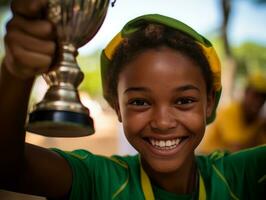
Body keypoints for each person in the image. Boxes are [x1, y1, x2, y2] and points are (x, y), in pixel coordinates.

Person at [0, 1, 265, 199]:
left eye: (184, 101)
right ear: (117, 106)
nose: (162, 122)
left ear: (209, 103)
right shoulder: (99, 180)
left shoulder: (237, 176)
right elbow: (8, 166)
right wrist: (15, 72)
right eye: (140, 102)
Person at [198, 73, 266, 154]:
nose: (258, 101)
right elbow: (237, 149)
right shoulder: (230, 112)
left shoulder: (258, 119)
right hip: (209, 160)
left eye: (263, 97)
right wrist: (258, 129)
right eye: (255, 95)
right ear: (246, 92)